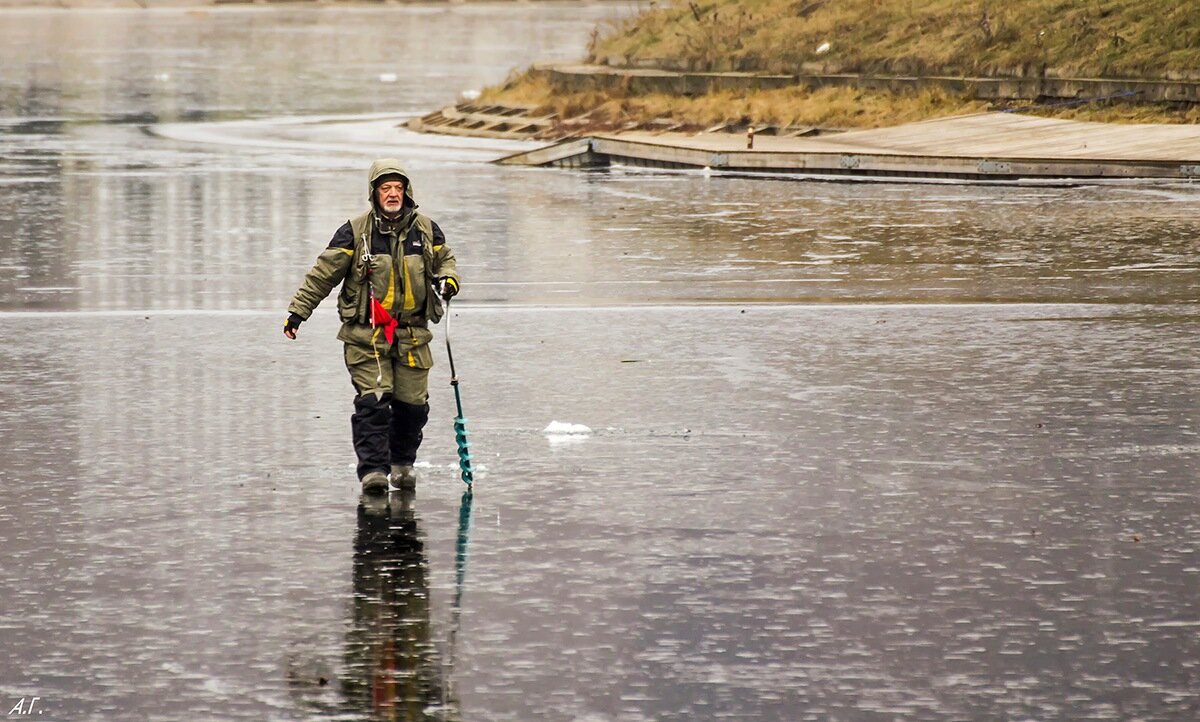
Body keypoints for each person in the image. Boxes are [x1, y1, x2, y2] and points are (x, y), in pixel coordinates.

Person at [283, 159, 459, 495]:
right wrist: (297, 313)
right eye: (385, 188)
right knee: (374, 402)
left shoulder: (426, 230)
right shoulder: (354, 232)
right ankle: (373, 472)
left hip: (413, 337)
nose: (392, 194)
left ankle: (402, 463)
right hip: (367, 339)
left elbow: (446, 260)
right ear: (374, 193)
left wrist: (449, 280)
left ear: (406, 192)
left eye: (398, 188)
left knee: (413, 407)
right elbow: (323, 275)